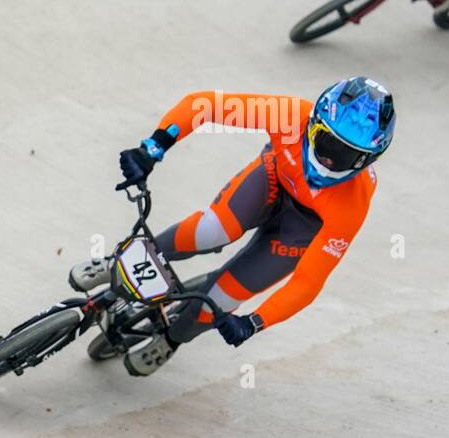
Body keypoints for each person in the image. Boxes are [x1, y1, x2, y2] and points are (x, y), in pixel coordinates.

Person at [69, 77, 395, 376]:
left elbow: (308, 282)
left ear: (369, 160)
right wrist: (152, 149)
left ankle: (171, 339)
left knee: (223, 300)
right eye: (327, 144)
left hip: (303, 227)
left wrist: (254, 323)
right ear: (313, 124)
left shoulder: (353, 203)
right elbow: (205, 105)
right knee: (212, 231)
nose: (330, 161)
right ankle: (115, 264)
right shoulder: (292, 114)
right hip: (274, 179)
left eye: (349, 156)